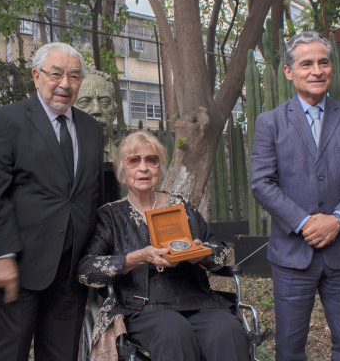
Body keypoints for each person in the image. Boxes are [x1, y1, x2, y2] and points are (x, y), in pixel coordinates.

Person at [250, 31, 340, 360]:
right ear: (289, 71)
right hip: (292, 256)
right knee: (290, 348)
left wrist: (337, 220)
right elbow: (262, 182)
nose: (316, 70)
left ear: (332, 68)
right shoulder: (270, 123)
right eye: (306, 63)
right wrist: (305, 222)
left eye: (323, 62)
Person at [0, 42, 105, 361]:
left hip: (71, 270)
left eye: (74, 76)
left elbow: (92, 195)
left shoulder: (91, 130)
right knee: (9, 353)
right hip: (19, 263)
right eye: (56, 74)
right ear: (36, 76)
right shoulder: (6, 121)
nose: (65, 84)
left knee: (62, 354)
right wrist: (1, 255)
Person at [77, 131, 249, 361]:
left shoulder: (182, 207)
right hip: (142, 306)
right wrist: (135, 258)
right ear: (122, 172)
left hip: (196, 300)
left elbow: (220, 252)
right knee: (174, 331)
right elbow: (87, 270)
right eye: (134, 160)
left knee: (228, 329)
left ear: (159, 168)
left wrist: (201, 255)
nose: (143, 168)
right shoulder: (110, 216)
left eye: (152, 160)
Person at [75, 69, 118, 162]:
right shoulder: (59, 161)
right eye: (84, 101)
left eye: (104, 102)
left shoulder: (126, 161)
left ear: (114, 112)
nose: (96, 109)